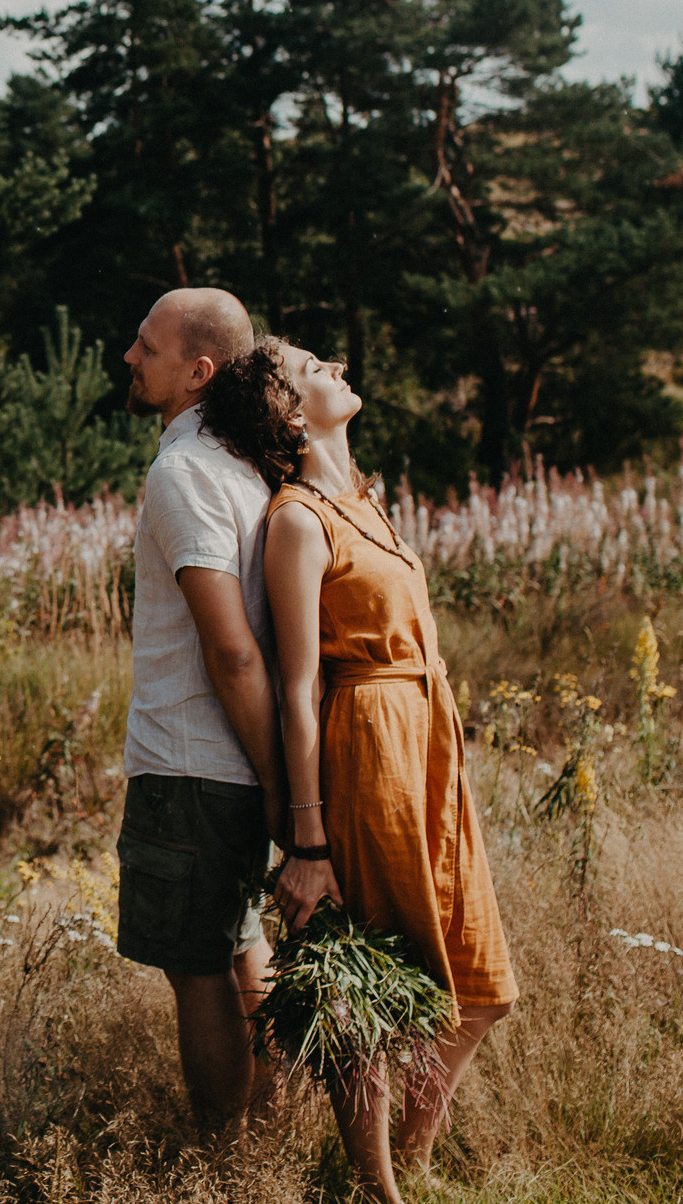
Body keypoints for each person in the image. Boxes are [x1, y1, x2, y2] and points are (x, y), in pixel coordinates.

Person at [204, 337, 517, 1202]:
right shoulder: (299, 521)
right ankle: (378, 1187)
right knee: (367, 983)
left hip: (426, 746)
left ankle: (410, 1159)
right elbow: (297, 688)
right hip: (368, 751)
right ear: (290, 413)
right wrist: (309, 842)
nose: (337, 365)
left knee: (480, 985)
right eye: (314, 367)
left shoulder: (365, 503)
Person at [112, 287, 286, 1135]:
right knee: (240, 943)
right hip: (233, 764)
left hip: (189, 766)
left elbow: (234, 650)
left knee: (197, 970)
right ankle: (267, 1128)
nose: (129, 356)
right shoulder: (246, 470)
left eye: (148, 347)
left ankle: (222, 1153)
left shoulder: (182, 473)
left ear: (198, 372)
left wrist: (279, 782)